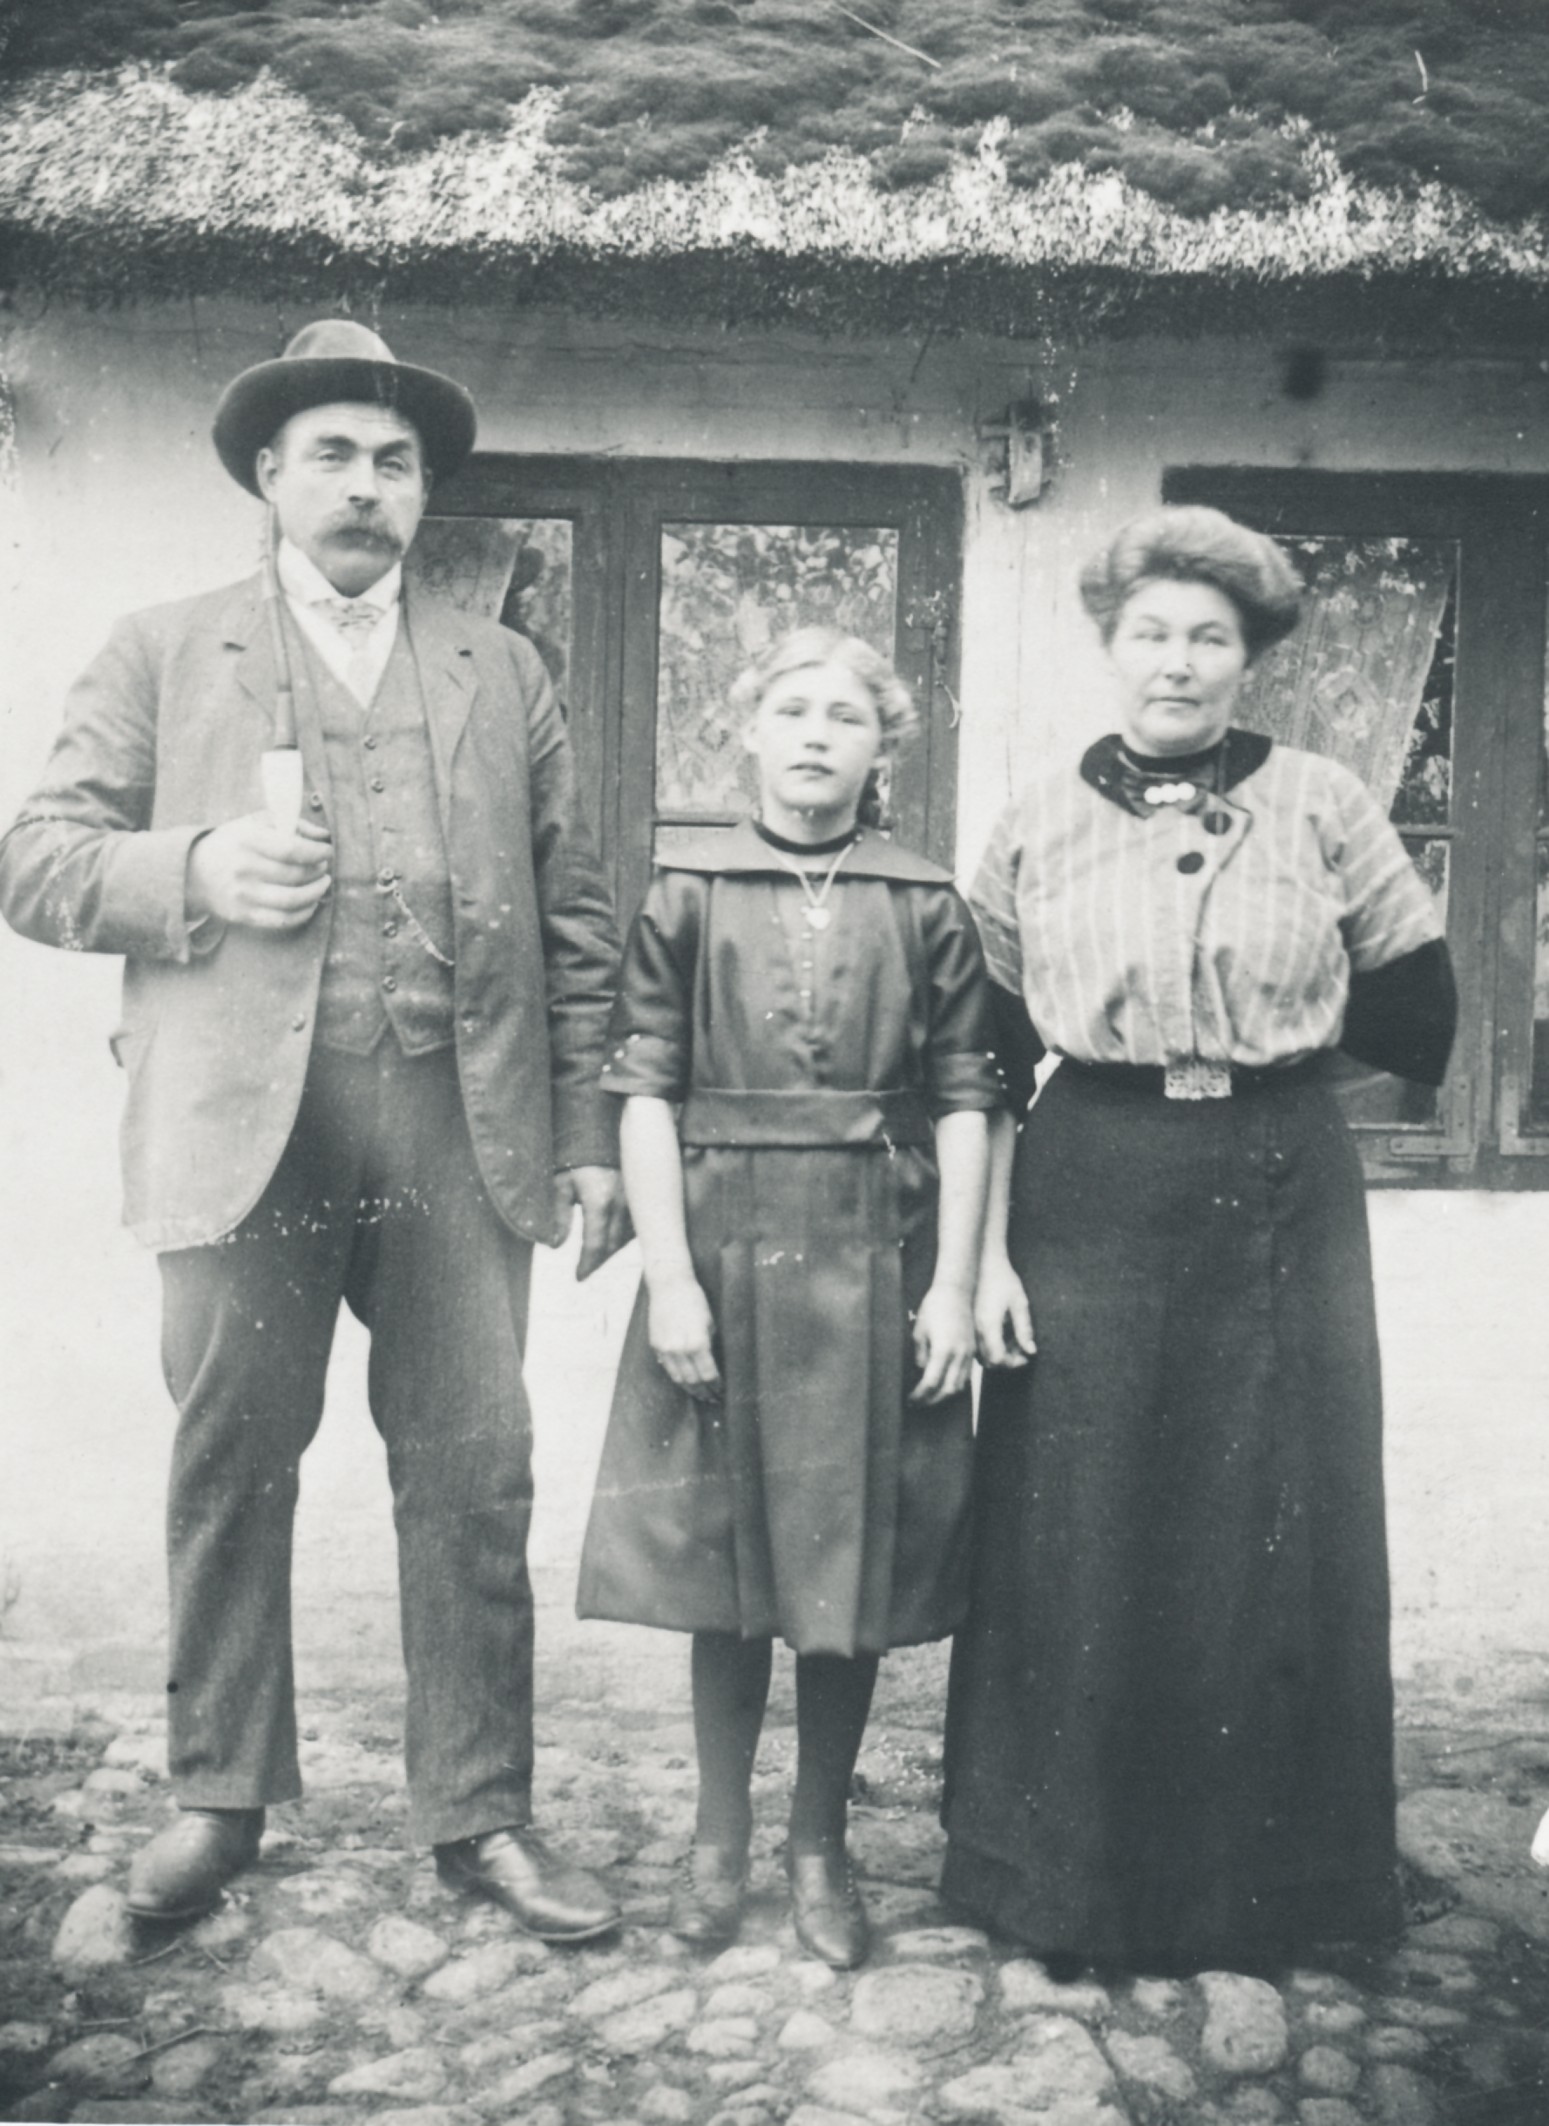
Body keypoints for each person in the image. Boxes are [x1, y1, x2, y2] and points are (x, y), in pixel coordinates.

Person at [0, 321, 630, 1940]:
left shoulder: (504, 670)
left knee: (474, 1469)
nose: (365, 484)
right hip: (243, 1133)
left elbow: (572, 916)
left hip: (457, 1124)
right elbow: (35, 857)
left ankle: (481, 1814)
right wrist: (192, 867)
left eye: (394, 461)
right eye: (334, 454)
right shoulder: (162, 649)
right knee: (232, 1462)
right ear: (270, 477)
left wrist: (585, 1133)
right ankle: (216, 1800)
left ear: (423, 495)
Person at [940, 505, 1458, 1975]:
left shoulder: (1323, 803)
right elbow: (979, 1056)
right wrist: (985, 1255)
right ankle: (1064, 1881)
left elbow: (1417, 1012)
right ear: (1111, 647)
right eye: (1151, 633)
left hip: (1279, 1181)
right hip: (1089, 1181)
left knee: (1277, 1517)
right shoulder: (1035, 820)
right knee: (1084, 1517)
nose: (1176, 662)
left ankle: (1280, 1883)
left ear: (1249, 657)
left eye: (1208, 637)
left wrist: (1257, 1062)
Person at [576, 628, 1002, 1967]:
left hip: (877, 1254)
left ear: (884, 749)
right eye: (794, 711)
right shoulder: (687, 892)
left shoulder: (924, 901)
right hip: (720, 1253)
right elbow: (643, 1091)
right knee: (726, 1564)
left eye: (847, 717)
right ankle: (718, 1839)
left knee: (844, 1564)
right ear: (749, 732)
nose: (818, 735)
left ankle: (819, 1842)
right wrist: (668, 1279)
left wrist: (951, 1285)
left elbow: (967, 1099)